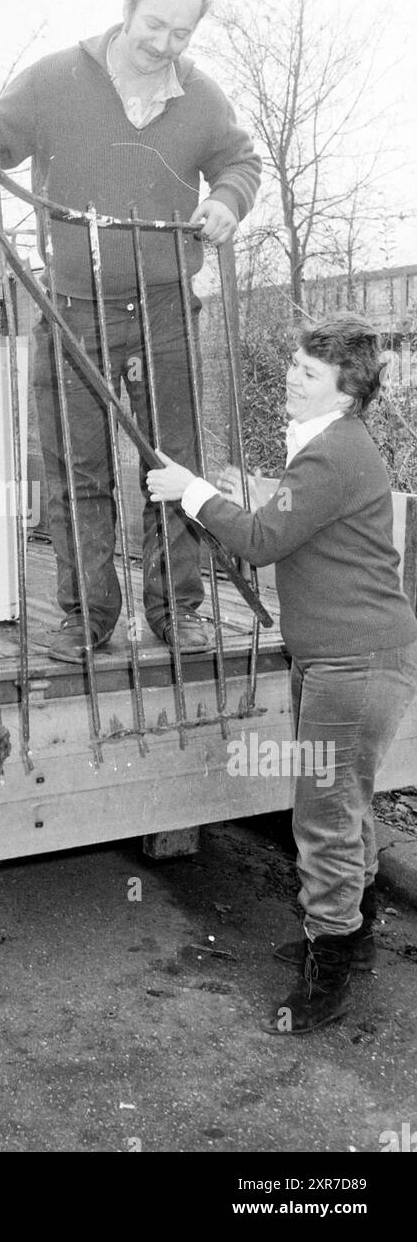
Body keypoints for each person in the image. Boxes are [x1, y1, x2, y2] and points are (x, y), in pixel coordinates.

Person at [0, 0, 262, 662]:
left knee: (174, 464)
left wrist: (225, 201)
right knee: (78, 472)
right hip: (72, 310)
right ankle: (87, 616)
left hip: (165, 310)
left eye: (180, 33)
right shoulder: (57, 77)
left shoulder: (203, 99)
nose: (163, 44)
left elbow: (239, 164)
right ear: (125, 9)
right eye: (154, 25)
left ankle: (177, 611)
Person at [146, 316, 417, 1034]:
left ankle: (326, 976)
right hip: (345, 658)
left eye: (306, 371)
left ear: (345, 389)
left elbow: (262, 541)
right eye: (292, 364)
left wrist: (191, 492)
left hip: (352, 664)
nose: (290, 378)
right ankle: (347, 941)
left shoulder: (333, 452)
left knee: (322, 818)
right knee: (345, 808)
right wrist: (222, 498)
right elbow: (279, 524)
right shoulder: (330, 447)